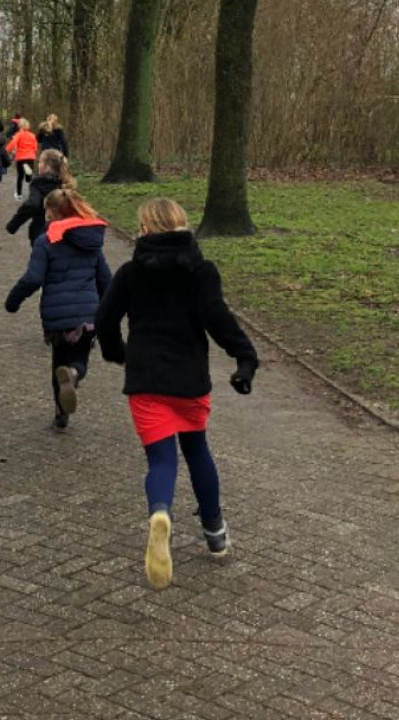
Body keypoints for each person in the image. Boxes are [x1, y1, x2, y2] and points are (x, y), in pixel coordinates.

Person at [95, 198, 258, 589]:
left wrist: (117, 353)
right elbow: (217, 318)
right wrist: (244, 357)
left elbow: (104, 319)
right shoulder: (201, 271)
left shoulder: (132, 272)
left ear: (146, 230)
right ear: (182, 226)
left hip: (146, 379)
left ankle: (160, 512)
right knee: (198, 450)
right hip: (189, 380)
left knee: (161, 461)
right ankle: (215, 532)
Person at [4, 189, 111, 431]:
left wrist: (14, 300)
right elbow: (106, 280)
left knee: (58, 362)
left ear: (53, 213)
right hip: (87, 316)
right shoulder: (92, 243)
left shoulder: (46, 241)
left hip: (57, 317)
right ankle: (74, 374)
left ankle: (61, 415)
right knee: (79, 360)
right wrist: (111, 309)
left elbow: (32, 278)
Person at [6, 149, 74, 247]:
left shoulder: (39, 183)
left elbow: (32, 204)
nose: (38, 165)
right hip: (65, 232)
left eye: (40, 162)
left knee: (40, 261)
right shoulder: (67, 184)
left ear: (47, 167)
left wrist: (13, 224)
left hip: (42, 232)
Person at [7, 117, 39, 200]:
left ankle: (19, 194)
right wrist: (32, 153)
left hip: (21, 157)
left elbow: (12, 144)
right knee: (29, 178)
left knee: (20, 177)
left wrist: (6, 151)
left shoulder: (19, 134)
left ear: (19, 126)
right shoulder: (33, 135)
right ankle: (29, 179)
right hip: (31, 157)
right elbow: (35, 147)